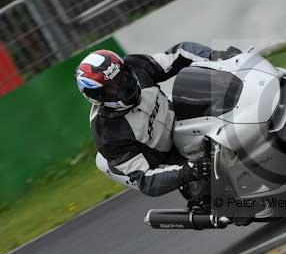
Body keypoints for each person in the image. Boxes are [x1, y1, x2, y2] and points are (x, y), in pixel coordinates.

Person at [75, 42, 240, 197]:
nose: (123, 86)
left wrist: (217, 57)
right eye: (112, 88)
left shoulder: (136, 66)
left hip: (179, 117)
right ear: (98, 96)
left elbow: (181, 53)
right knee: (212, 188)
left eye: (123, 77)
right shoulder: (108, 134)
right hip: (166, 157)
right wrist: (189, 171)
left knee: (227, 104)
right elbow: (145, 179)